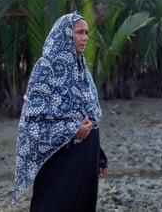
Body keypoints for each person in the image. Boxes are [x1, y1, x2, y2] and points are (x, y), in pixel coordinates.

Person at [12, 12, 108, 211]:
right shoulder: (46, 69)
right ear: (64, 35)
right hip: (61, 160)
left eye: (87, 33)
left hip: (85, 156)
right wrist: (72, 131)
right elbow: (32, 122)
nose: (85, 38)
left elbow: (90, 115)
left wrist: (99, 155)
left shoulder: (82, 69)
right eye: (79, 32)